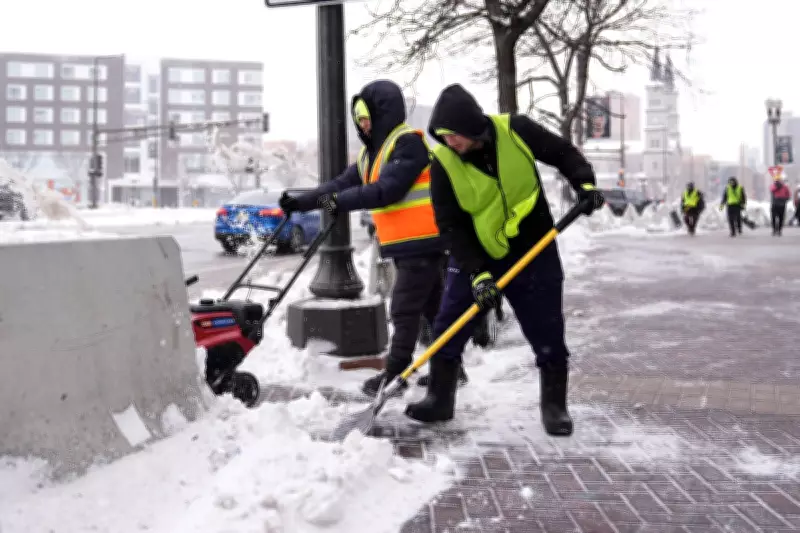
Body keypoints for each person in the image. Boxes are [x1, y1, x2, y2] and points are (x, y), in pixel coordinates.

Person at [403, 83, 604, 437]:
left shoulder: (516, 130)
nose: (450, 142)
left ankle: (555, 406)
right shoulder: (443, 163)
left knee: (546, 327)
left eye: (454, 135)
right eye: (443, 136)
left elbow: (562, 152)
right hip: (477, 252)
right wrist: (478, 274)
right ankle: (439, 398)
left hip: (533, 248)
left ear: (470, 125)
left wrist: (583, 184)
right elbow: (450, 225)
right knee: (449, 324)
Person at [278, 79, 465, 397]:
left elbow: (388, 190)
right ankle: (453, 368)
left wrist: (337, 203)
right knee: (433, 310)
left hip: (423, 243)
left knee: (404, 309)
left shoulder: (408, 144)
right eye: (359, 120)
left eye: (367, 118)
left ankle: (395, 373)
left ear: (383, 114)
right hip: (411, 245)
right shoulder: (371, 156)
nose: (363, 125)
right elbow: (338, 185)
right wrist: (302, 202)